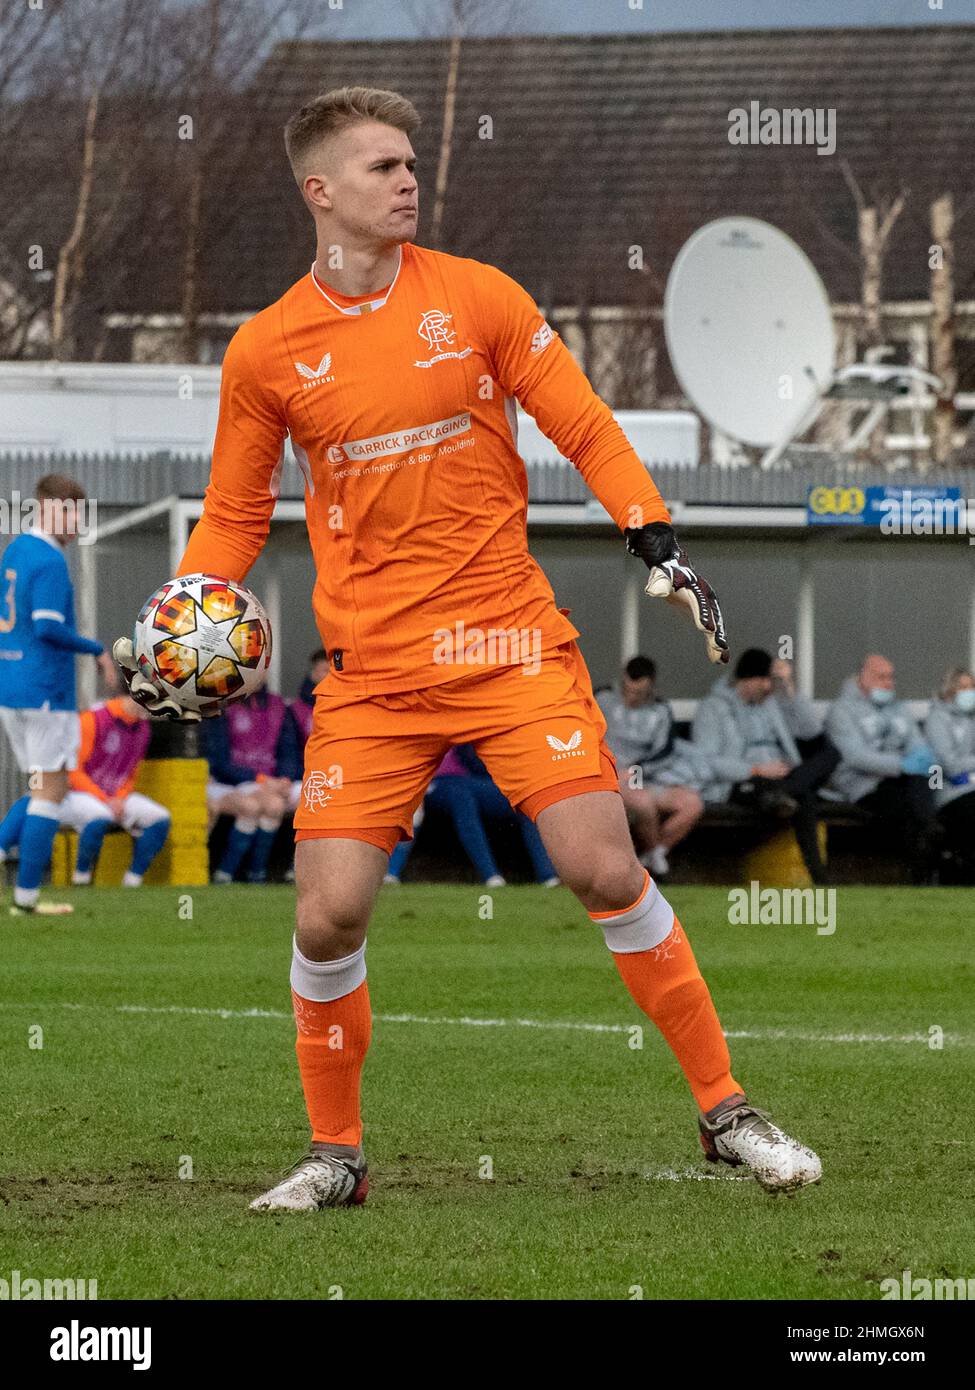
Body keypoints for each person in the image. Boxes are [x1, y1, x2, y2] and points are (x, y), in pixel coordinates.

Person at [114, 85, 819, 1205]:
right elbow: (236, 512)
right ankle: (334, 1156)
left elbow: (581, 421)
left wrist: (655, 536)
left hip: (511, 648)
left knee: (601, 865)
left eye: (410, 163)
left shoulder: (479, 296)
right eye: (384, 166)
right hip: (373, 678)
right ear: (321, 190)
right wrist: (188, 608)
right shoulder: (265, 351)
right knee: (326, 909)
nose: (408, 180)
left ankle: (727, 1111)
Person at [0, 474, 115, 916]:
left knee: (40, 787)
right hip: (44, 690)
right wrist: (96, 649)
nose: (76, 523)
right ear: (48, 508)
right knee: (50, 790)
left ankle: (24, 892)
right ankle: (26, 899)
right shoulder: (48, 560)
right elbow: (47, 626)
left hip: (13, 686)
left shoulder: (16, 550)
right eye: (71, 512)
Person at [693, 648, 837, 885]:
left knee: (831, 755)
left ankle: (784, 792)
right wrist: (756, 770)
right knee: (805, 797)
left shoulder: (770, 703)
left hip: (784, 777)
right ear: (748, 679)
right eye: (764, 680)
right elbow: (706, 761)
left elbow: (812, 730)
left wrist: (789, 687)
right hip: (744, 781)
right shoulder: (713, 708)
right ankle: (820, 877)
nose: (769, 687)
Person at [0, 695, 171, 886]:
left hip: (111, 795)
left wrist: (120, 798)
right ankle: (80, 878)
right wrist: (105, 799)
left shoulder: (143, 728)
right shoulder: (93, 718)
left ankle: (132, 881)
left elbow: (130, 772)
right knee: (37, 800)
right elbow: (74, 770)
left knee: (160, 817)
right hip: (81, 792)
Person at [824, 654, 940, 883]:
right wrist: (901, 765)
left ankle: (925, 848)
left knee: (922, 784)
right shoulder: (841, 711)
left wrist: (919, 760)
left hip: (902, 783)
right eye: (881, 677)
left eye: (891, 677)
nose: (888, 682)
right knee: (912, 812)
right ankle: (921, 870)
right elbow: (855, 757)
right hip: (864, 786)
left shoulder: (899, 709)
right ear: (862, 678)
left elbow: (917, 744)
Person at [384, 743, 560, 886]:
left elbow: (476, 758)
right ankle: (491, 876)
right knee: (458, 797)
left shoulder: (464, 713)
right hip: (430, 783)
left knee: (525, 798)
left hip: (467, 780)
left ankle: (549, 877)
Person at [596, 656, 704, 877]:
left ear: (651, 686)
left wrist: (637, 769)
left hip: (647, 776)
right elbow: (586, 735)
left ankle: (654, 854)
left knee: (692, 804)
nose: (632, 697)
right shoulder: (602, 698)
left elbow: (664, 750)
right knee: (642, 803)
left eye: (639, 693)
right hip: (611, 776)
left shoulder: (661, 710)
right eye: (628, 690)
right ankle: (656, 861)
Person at [202, 687, 300, 883]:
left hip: (272, 782)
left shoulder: (278, 705)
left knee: (319, 799)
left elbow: (289, 749)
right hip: (234, 782)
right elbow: (221, 763)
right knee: (263, 806)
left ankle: (273, 871)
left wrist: (285, 778)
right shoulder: (222, 704)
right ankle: (231, 872)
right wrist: (263, 780)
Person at [924, 666, 975, 880]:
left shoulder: (971, 719)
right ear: (949, 691)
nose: (969, 692)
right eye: (963, 687)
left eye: (972, 687)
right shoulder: (937, 720)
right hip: (947, 792)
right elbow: (949, 764)